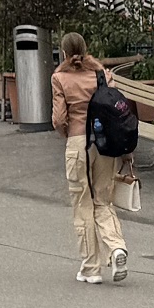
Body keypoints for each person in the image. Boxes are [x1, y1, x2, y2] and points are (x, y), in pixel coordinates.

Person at [51, 30, 129, 285]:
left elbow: (58, 119)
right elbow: (118, 109)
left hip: (78, 144)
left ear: (63, 53)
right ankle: (117, 248)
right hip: (105, 145)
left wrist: (69, 133)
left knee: (83, 203)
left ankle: (91, 268)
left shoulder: (60, 78)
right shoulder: (102, 75)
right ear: (85, 49)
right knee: (103, 201)